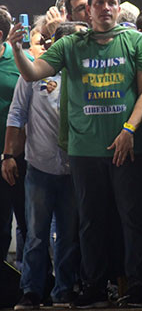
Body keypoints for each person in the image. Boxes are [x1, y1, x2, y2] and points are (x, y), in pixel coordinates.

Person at [7, 0, 142, 307]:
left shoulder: (136, 41)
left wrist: (129, 130)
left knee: (132, 219)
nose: (106, 8)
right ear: (87, 10)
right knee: (90, 222)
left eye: (111, 2)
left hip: (127, 145)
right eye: (99, 3)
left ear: (119, 7)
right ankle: (95, 287)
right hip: (85, 150)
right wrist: (18, 49)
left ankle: (137, 284)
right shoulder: (72, 45)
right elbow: (33, 74)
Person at [9, 22, 85, 310]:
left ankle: (64, 289)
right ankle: (31, 291)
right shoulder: (36, 73)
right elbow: (16, 114)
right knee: (36, 234)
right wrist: (8, 155)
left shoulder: (86, 75)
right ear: (59, 45)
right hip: (40, 165)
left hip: (75, 166)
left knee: (69, 233)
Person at [0, 8, 30, 269]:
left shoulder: (23, 63)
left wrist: (11, 154)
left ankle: (34, 286)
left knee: (28, 226)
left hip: (17, 161)